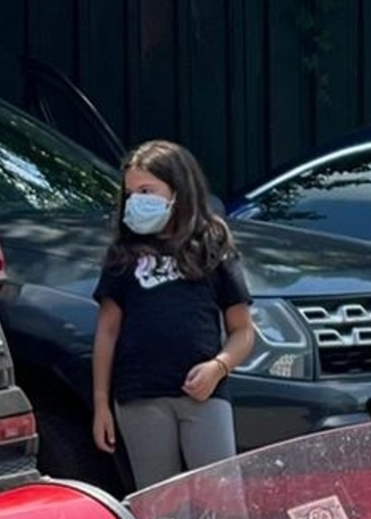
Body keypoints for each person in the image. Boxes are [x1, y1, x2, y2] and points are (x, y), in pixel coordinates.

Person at [92, 140, 255, 486]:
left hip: (203, 393)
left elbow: (243, 331)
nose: (137, 200)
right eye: (131, 193)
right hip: (139, 395)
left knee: (221, 498)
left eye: (147, 190)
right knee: (159, 503)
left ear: (177, 192)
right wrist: (101, 404)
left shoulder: (212, 246)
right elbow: (107, 331)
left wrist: (218, 367)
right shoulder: (123, 254)